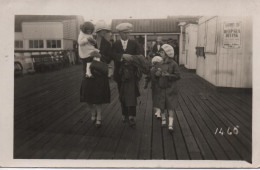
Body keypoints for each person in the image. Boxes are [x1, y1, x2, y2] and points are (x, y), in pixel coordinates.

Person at [112, 22, 149, 128]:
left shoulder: (134, 43)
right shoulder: (115, 44)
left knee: (132, 95)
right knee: (122, 94)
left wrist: (131, 58)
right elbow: (113, 55)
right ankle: (124, 114)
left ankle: (132, 116)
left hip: (132, 74)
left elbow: (140, 55)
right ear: (119, 33)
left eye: (128, 33)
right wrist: (122, 56)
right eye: (124, 33)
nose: (127, 35)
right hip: (120, 75)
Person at [80, 20, 113, 128]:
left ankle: (99, 117)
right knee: (87, 95)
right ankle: (92, 112)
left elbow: (108, 59)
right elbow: (81, 54)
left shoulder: (107, 44)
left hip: (100, 72)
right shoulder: (89, 39)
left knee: (99, 96)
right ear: (98, 31)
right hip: (88, 71)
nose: (105, 33)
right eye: (103, 31)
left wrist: (100, 56)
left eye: (106, 31)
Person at [151, 44, 181, 133]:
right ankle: (164, 120)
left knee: (171, 106)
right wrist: (157, 74)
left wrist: (169, 75)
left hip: (171, 88)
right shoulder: (160, 63)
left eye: (162, 52)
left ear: (167, 53)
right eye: (160, 52)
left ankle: (170, 124)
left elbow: (178, 76)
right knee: (162, 105)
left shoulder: (174, 64)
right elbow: (155, 74)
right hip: (161, 87)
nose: (160, 54)